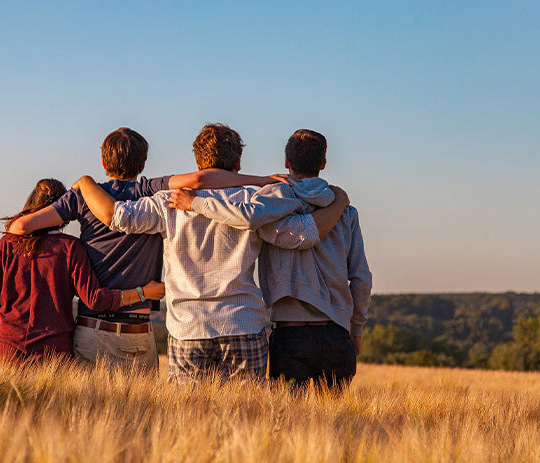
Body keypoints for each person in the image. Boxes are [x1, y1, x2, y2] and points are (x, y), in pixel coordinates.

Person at [72, 123, 349, 383]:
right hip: (243, 324)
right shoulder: (254, 202)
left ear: (197, 163)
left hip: (188, 328)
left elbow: (119, 217)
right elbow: (302, 236)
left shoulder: (167, 202)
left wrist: (85, 183)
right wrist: (338, 203)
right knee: (248, 420)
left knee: (188, 422)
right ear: (238, 163)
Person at [7, 127, 287, 372]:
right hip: (141, 332)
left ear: (104, 162)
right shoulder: (150, 190)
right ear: (143, 164)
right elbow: (201, 181)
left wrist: (81, 185)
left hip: (94, 329)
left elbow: (20, 228)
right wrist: (261, 180)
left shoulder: (83, 197)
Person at [169, 129, 372, 389]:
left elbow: (247, 217)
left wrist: (196, 203)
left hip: (290, 334)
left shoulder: (269, 204)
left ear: (287, 162)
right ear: (323, 164)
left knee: (286, 423)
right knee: (334, 425)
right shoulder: (345, 211)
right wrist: (356, 329)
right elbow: (361, 278)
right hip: (337, 333)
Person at [0, 178, 165, 365]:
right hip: (53, 357)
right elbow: (95, 299)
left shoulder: (8, 243)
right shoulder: (70, 248)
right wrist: (143, 293)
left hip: (6, 352)